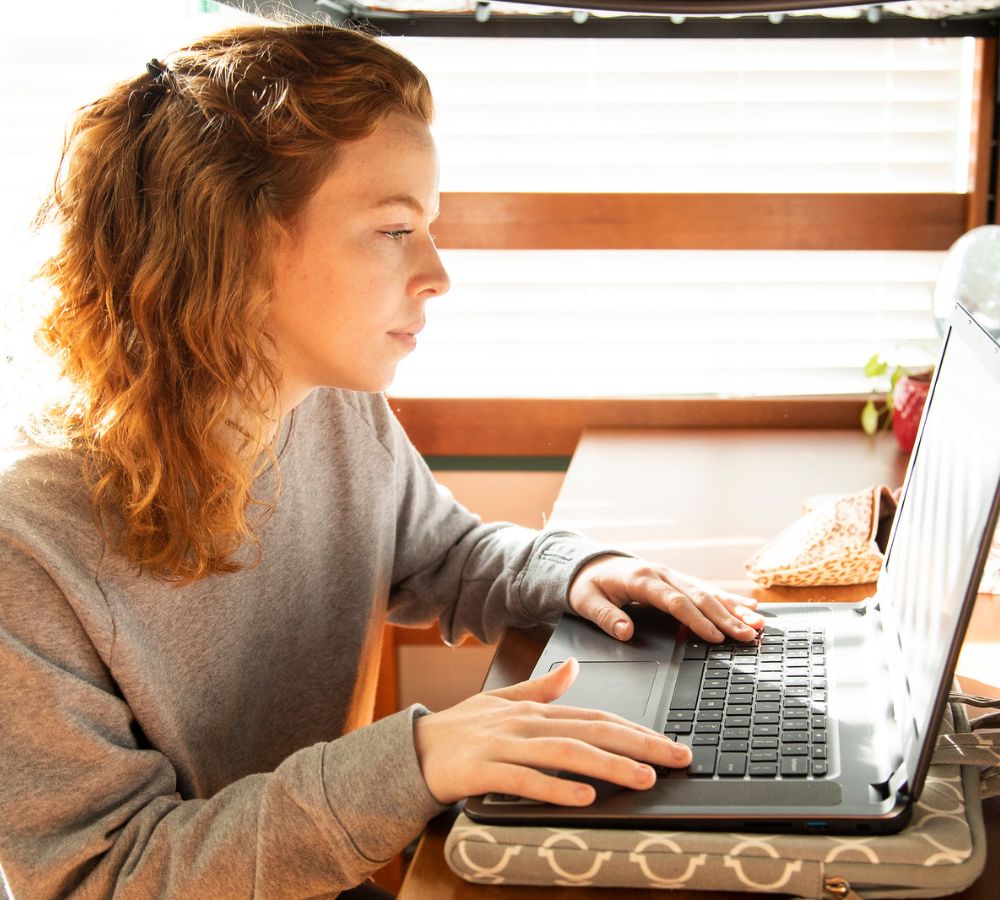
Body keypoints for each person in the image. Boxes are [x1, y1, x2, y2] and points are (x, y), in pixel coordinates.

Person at [0, 23, 765, 898]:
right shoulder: (29, 548)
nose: (438, 272)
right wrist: (416, 760)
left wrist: (582, 570)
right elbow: (98, 878)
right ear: (234, 245)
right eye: (396, 228)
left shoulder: (332, 407)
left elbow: (439, 555)